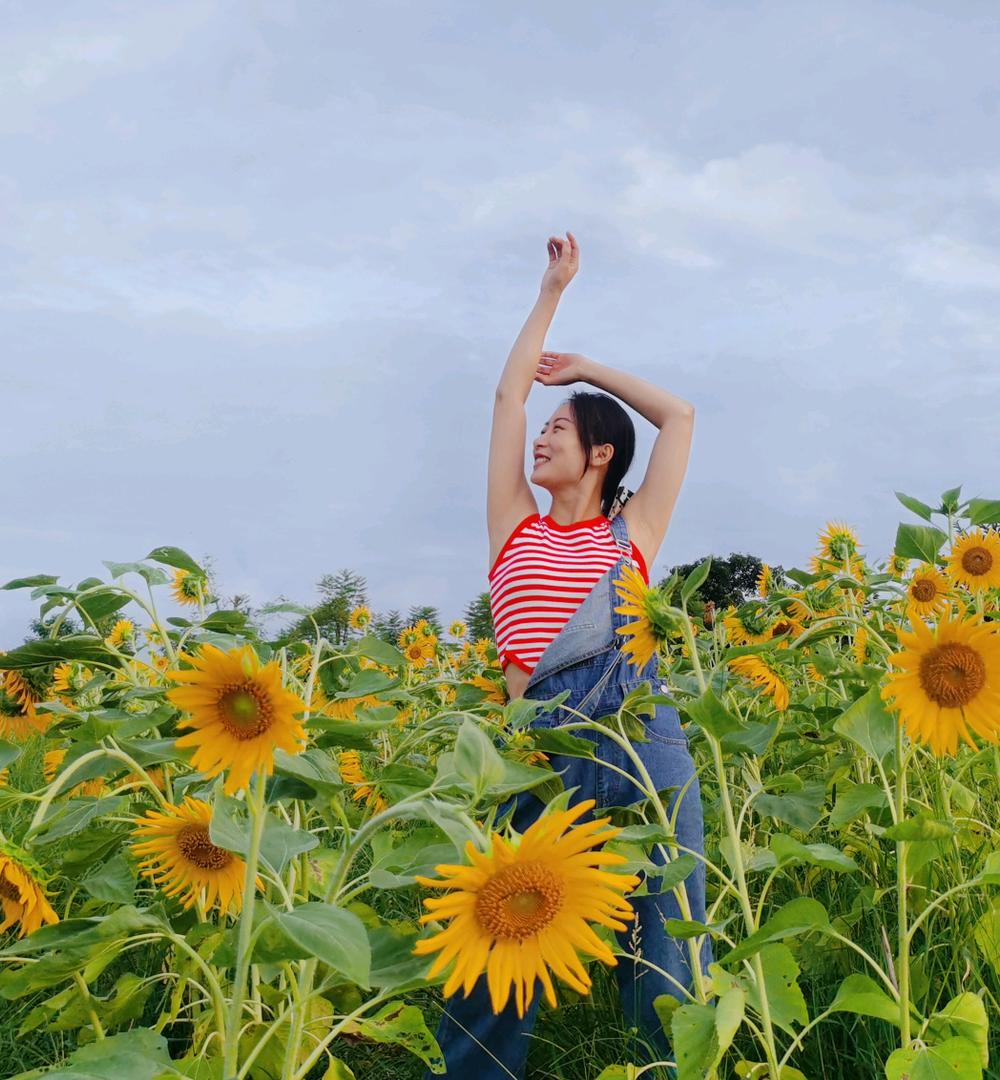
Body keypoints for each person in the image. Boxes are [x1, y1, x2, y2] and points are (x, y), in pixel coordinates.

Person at [428, 231, 712, 1078]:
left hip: (638, 730)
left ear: (600, 455)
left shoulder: (635, 534)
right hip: (534, 742)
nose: (538, 439)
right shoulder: (512, 521)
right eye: (542, 430)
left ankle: (657, 1069)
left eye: (561, 430)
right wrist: (551, 291)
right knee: (491, 932)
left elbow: (680, 417)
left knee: (664, 937)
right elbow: (506, 398)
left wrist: (589, 370)